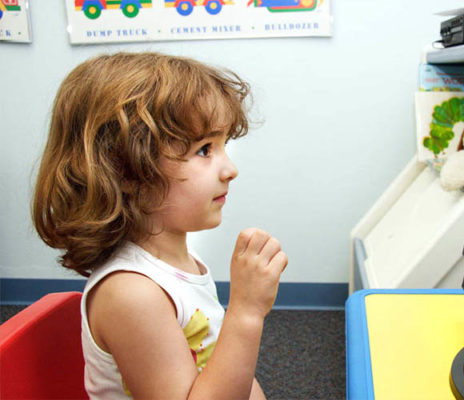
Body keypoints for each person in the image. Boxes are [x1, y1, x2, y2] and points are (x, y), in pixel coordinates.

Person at [31, 52, 287, 399]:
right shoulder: (131, 294)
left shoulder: (175, 263)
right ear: (126, 171)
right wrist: (246, 312)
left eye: (223, 146)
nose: (230, 169)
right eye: (204, 150)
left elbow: (211, 360)